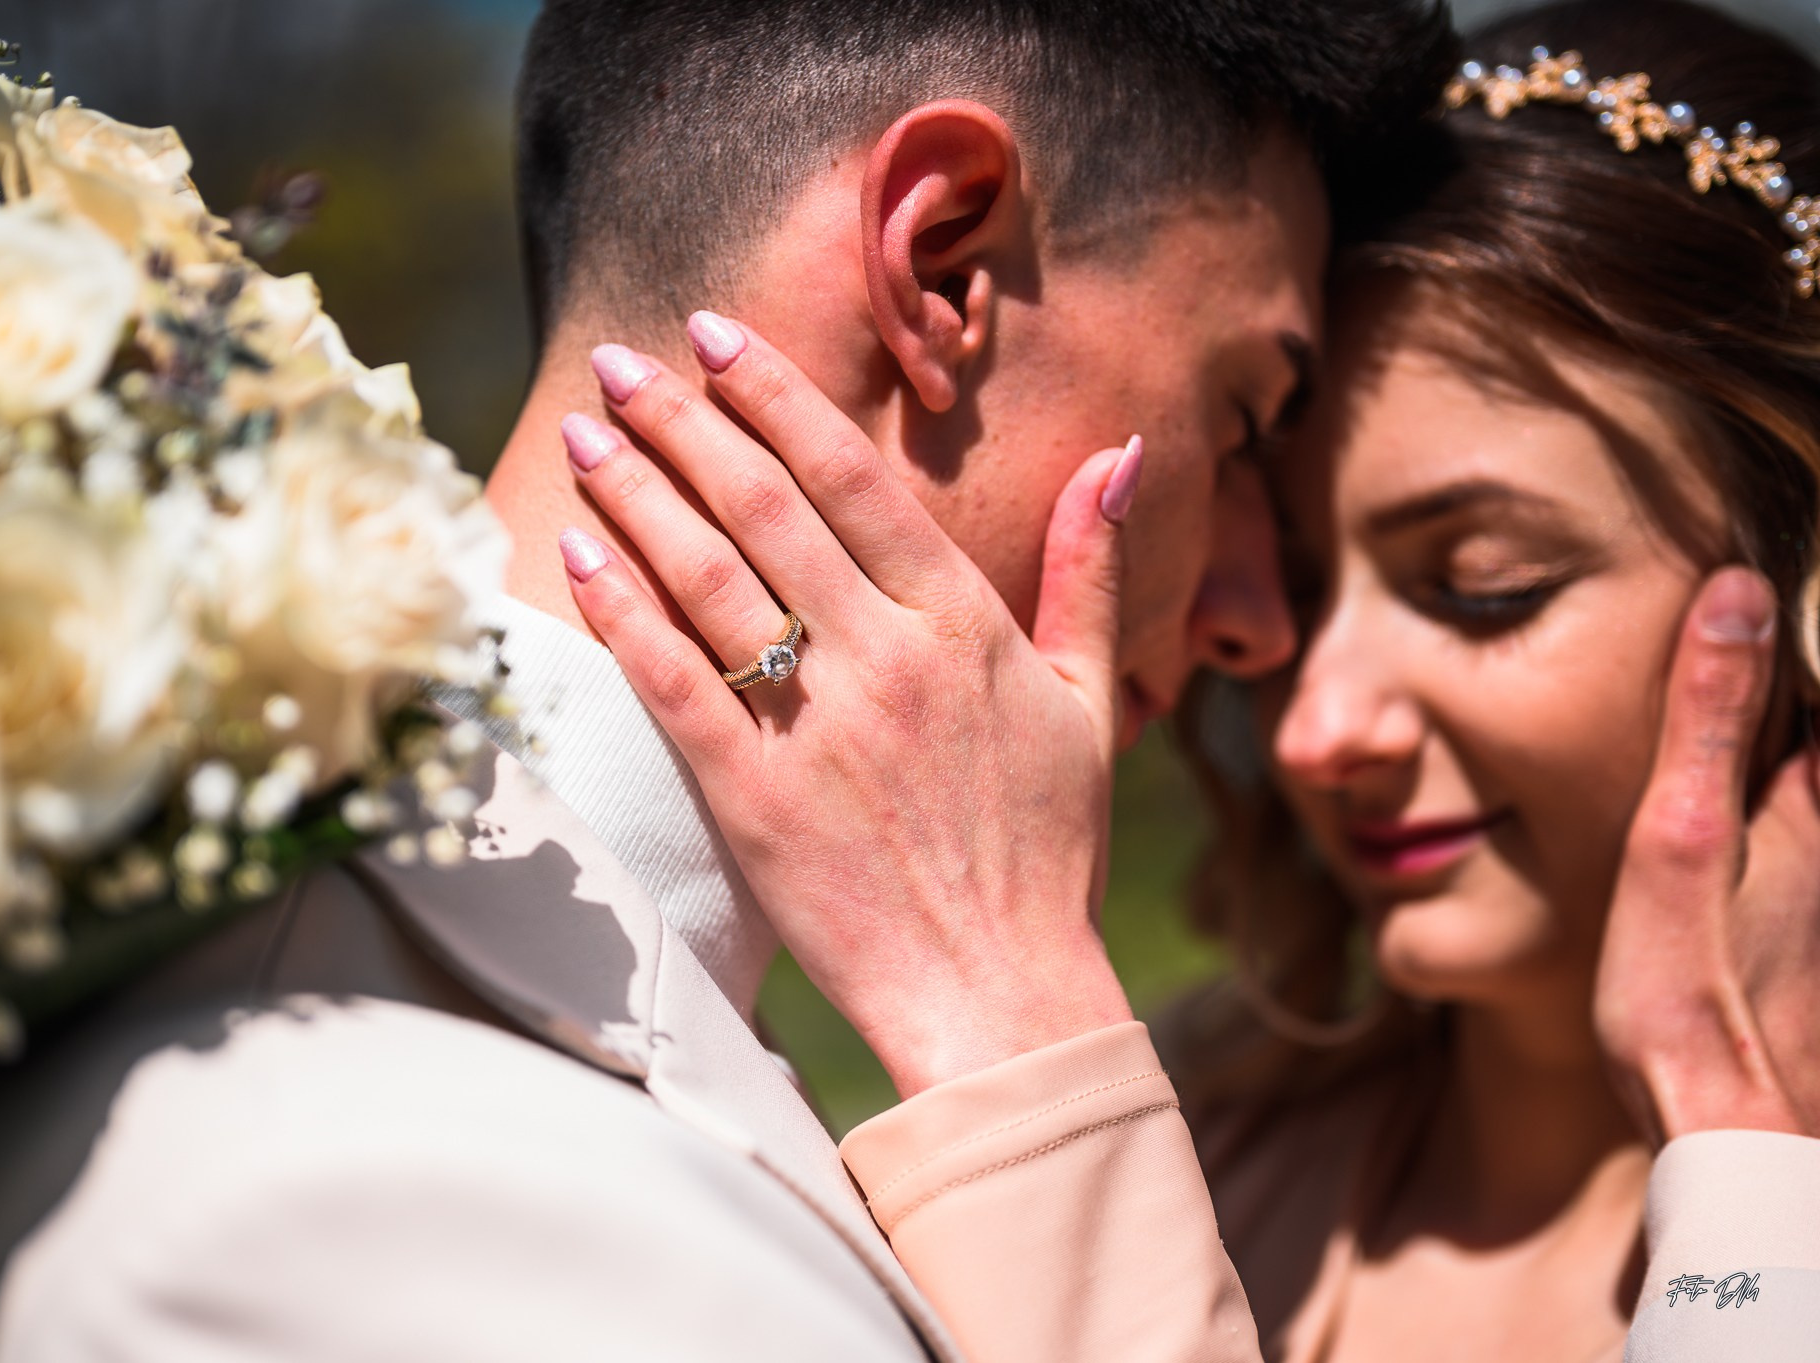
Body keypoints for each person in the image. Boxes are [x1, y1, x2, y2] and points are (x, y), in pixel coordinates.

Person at [0, 3, 1455, 1362]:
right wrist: (1023, 1023)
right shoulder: (360, 1178)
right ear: (944, 263)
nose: (1254, 615)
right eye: (1244, 419)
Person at [561, 2, 1820, 1361]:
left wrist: (1748, 1172)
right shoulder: (1197, 1133)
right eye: (1295, 581)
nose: (1321, 728)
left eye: (1483, 586)